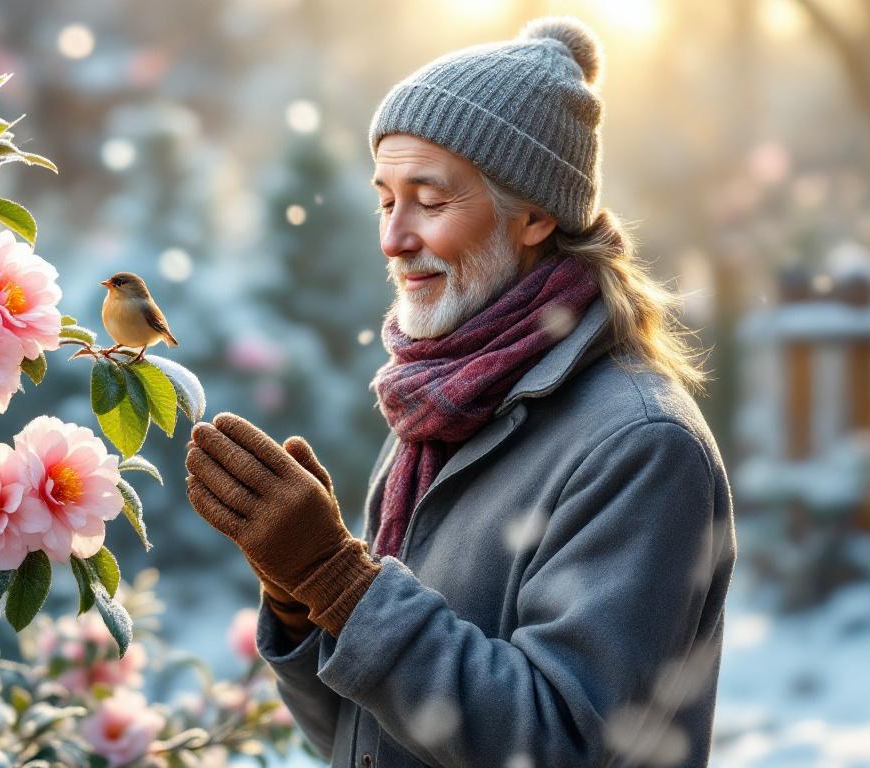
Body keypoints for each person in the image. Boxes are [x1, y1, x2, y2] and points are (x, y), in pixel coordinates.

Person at [184, 15, 737, 767]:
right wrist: (302, 600)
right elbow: (366, 738)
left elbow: (561, 744)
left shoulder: (640, 446)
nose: (393, 237)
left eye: (430, 199)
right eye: (386, 200)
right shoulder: (439, 409)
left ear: (536, 215)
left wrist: (338, 580)